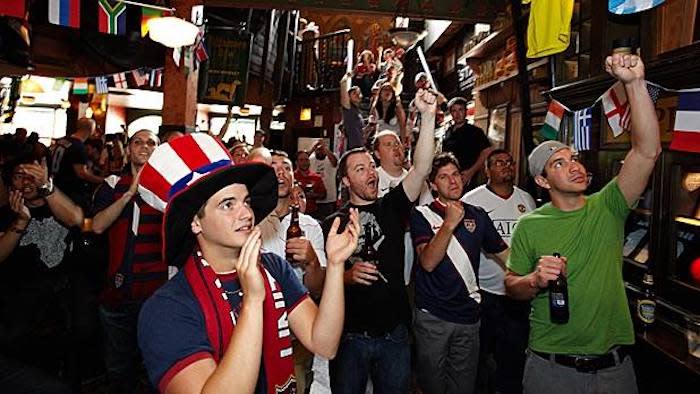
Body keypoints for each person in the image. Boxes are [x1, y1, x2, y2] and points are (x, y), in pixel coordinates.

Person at [137, 133, 360, 394]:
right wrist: (253, 301)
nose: (245, 213)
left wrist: (334, 265)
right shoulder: (168, 307)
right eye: (227, 204)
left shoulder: (273, 268)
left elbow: (324, 344)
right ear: (195, 222)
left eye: (246, 201)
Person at [505, 54, 660, 394]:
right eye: (559, 164)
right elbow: (512, 286)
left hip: (614, 370)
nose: (573, 166)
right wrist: (535, 279)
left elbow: (647, 152)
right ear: (543, 182)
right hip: (552, 368)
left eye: (573, 158)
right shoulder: (530, 225)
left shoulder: (609, 206)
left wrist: (634, 85)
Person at [323, 87, 438, 393]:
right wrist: (345, 275)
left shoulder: (392, 206)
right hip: (349, 335)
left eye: (371, 167)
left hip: (394, 334)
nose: (371, 174)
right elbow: (315, 281)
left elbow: (422, 168)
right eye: (361, 170)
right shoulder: (332, 223)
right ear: (346, 181)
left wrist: (428, 118)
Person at [410, 152, 508, 394]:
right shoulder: (422, 215)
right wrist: (449, 224)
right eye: (444, 177)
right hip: (433, 317)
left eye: (455, 174)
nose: (453, 181)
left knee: (463, 387)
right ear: (433, 185)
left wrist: (536, 270)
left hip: (469, 317)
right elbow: (428, 262)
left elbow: (506, 255)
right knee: (432, 385)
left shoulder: (478, 215)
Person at [0, 153, 84, 394]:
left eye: (32, 176)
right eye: (18, 176)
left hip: (62, 310)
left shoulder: (64, 201)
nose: (26, 182)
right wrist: (20, 222)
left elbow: (77, 219)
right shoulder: (5, 214)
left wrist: (47, 186)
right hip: (17, 314)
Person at [90, 129, 166, 393]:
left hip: (157, 292)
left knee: (157, 365)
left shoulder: (170, 191)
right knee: (119, 366)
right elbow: (98, 226)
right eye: (138, 142)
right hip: (117, 291)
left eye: (151, 143)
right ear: (128, 148)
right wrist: (128, 194)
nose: (145, 147)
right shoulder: (112, 185)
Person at [462, 149, 536, 394]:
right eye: (498, 163)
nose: (506, 166)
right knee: (479, 357)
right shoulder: (472, 200)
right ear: (487, 170)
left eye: (509, 162)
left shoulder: (526, 200)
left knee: (513, 356)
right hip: (484, 292)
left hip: (517, 294)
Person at [259, 150, 327, 393]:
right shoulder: (248, 223)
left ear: (293, 177)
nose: (280, 171)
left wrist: (311, 262)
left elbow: (317, 289)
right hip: (257, 333)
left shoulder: (309, 226)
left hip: (298, 333)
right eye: (272, 166)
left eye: (286, 167)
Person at [50, 117, 106, 208]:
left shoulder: (63, 141)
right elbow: (81, 173)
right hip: (69, 191)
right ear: (91, 129)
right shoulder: (78, 147)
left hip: (56, 186)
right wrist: (103, 180)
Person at [441, 97, 492, 192]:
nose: (457, 114)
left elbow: (487, 151)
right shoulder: (448, 132)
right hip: (448, 176)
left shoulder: (475, 132)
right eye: (454, 110)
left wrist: (471, 172)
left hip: (467, 178)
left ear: (466, 111)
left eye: (460, 109)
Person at [309, 140, 338, 220]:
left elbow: (335, 162)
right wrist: (312, 148)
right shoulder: (311, 159)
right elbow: (302, 162)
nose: (320, 150)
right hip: (314, 200)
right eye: (318, 149)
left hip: (329, 199)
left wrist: (325, 148)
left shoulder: (331, 157)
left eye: (322, 149)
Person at [295, 150, 327, 218]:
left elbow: (323, 195)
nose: (304, 162)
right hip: (294, 212)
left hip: (312, 213)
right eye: (301, 160)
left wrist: (314, 195)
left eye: (306, 160)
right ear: (296, 162)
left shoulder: (316, 177)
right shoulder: (292, 176)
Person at [340, 72, 366, 150]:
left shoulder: (358, 112)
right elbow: (342, 84)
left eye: (359, 93)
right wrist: (347, 76)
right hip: (351, 146)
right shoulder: (348, 107)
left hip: (360, 146)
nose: (357, 94)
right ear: (349, 96)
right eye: (354, 93)